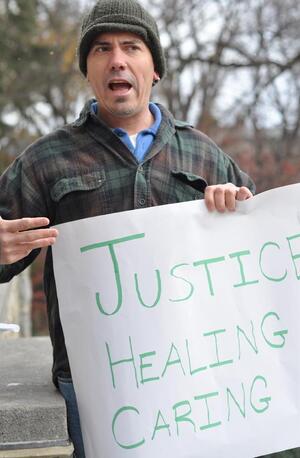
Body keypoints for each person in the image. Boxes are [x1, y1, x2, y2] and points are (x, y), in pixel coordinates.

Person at [0, 0, 255, 456]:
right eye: (101, 48)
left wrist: (239, 213)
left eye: (131, 46)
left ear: (153, 68)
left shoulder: (204, 155)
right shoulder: (46, 159)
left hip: (194, 378)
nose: (117, 58)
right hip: (90, 383)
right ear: (89, 70)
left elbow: (260, 258)